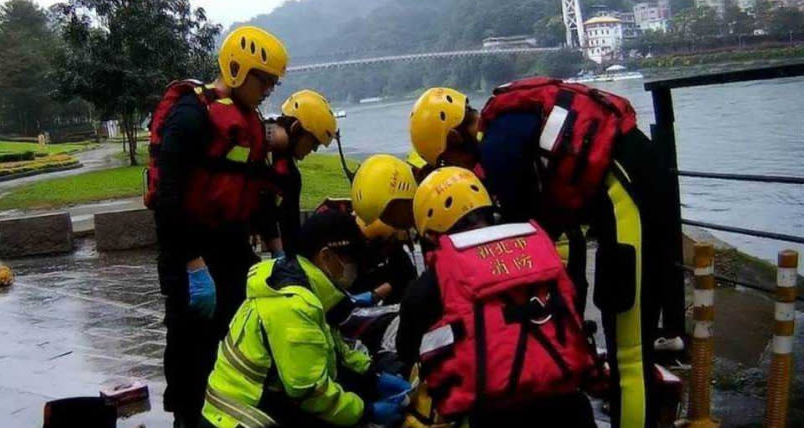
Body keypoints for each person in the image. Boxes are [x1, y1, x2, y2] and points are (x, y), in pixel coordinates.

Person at [408, 82, 683, 428]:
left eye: (447, 162)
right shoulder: (508, 127)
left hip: (626, 201)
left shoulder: (498, 150)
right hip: (634, 185)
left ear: (453, 140)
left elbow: (518, 238)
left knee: (628, 351)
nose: (456, 171)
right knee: (619, 329)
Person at [146, 26, 288, 427]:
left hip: (228, 246)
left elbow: (259, 191)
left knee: (239, 334)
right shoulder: (190, 115)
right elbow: (167, 199)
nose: (267, 91)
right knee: (191, 348)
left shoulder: (248, 121)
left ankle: (232, 410)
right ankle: (188, 418)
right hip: (187, 251)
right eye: (264, 80)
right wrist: (193, 266)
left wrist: (277, 250)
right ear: (240, 70)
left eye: (272, 84)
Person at [397, 167, 596, 428]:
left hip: (494, 415)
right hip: (571, 407)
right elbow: (573, 308)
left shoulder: (431, 284)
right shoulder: (538, 246)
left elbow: (407, 350)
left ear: (431, 233)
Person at [200, 210, 411, 428]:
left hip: (257, 404)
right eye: (352, 259)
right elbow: (310, 392)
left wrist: (372, 377)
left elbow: (335, 350)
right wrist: (367, 411)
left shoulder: (308, 290)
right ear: (326, 256)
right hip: (239, 418)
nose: (356, 268)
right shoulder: (294, 305)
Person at [256, 89, 338, 258]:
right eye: (313, 142)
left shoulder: (290, 175)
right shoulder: (255, 135)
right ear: (296, 128)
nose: (313, 150)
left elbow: (290, 229)